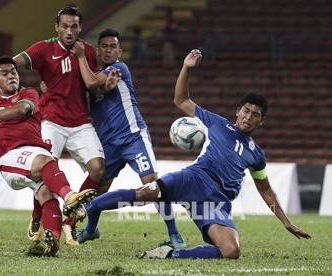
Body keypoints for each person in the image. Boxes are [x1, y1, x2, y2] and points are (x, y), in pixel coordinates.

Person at [75, 49, 311, 259]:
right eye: (246, 111)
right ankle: (88, 208)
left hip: (216, 201)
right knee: (148, 191)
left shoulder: (256, 155)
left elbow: (265, 189)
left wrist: (285, 221)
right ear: (238, 111)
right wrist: (186, 68)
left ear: (262, 121)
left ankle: (170, 253)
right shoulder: (217, 123)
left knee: (231, 251)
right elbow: (181, 100)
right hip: (194, 178)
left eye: (255, 115)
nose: (248, 117)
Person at [0, 56, 97, 257]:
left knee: (46, 194)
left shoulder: (29, 93)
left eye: (13, 72)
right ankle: (70, 197)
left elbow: (22, 109)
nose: (11, 76)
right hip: (10, 157)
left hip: (35, 152)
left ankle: (53, 240)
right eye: (5, 73)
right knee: (46, 162)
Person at [69, 28, 185, 248]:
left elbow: (94, 82)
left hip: (133, 138)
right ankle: (91, 230)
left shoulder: (119, 68)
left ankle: (174, 234)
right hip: (109, 144)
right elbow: (84, 87)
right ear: (98, 49)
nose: (108, 50)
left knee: (152, 185)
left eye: (113, 46)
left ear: (119, 52)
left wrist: (81, 56)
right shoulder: (89, 79)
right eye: (104, 46)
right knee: (98, 190)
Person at [13, 5, 106, 246]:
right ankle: (36, 216)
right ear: (56, 27)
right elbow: (13, 65)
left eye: (74, 26)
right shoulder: (43, 48)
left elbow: (94, 82)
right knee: (43, 171)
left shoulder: (87, 51)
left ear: (80, 28)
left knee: (98, 170)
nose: (69, 30)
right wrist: (21, 92)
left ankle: (70, 222)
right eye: (64, 26)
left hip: (80, 122)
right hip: (51, 120)